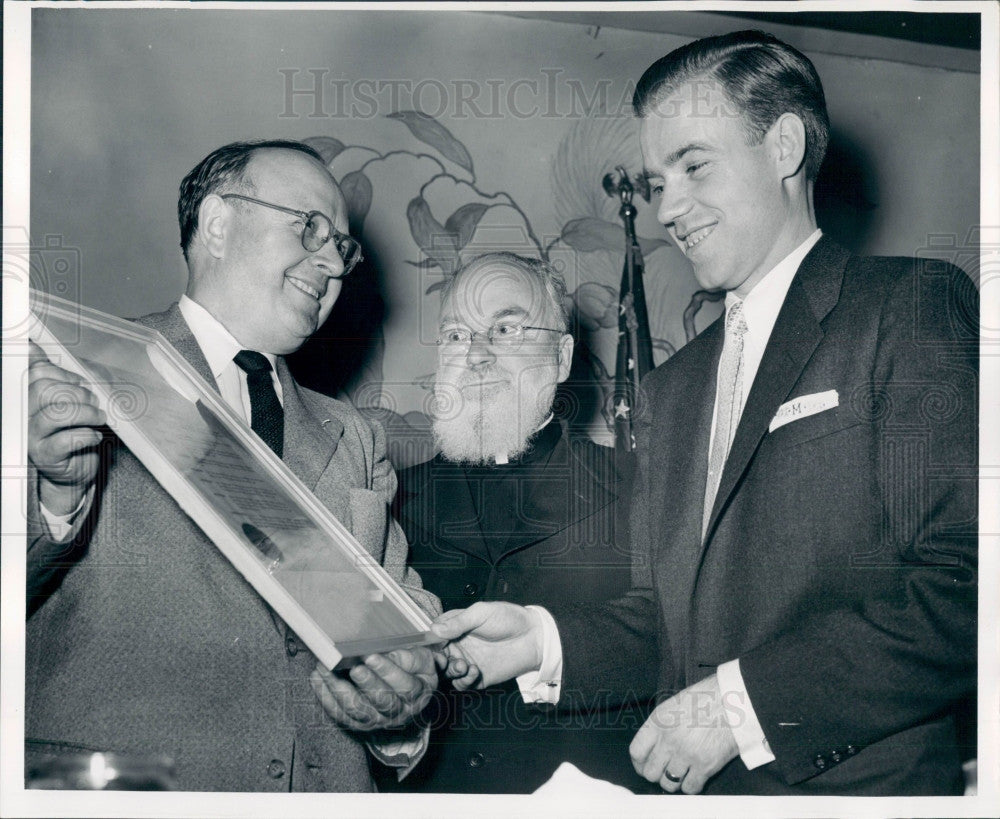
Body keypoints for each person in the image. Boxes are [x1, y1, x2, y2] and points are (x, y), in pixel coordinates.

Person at [433, 31, 978, 796]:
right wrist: (539, 641)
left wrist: (746, 707)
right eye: (658, 182)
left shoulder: (909, 306)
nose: (669, 209)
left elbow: (968, 583)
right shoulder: (674, 386)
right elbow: (664, 617)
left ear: (784, 145)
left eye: (694, 166)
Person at [25, 140, 441, 792]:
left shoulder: (354, 435)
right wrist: (53, 498)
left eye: (344, 248)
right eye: (311, 228)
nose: (334, 261)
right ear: (217, 224)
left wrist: (401, 708)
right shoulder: (70, 368)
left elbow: (399, 630)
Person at [383, 252, 655, 793]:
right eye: (457, 336)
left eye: (505, 329)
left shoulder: (643, 489)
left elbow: (690, 644)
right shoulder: (389, 499)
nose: (476, 355)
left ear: (560, 357)